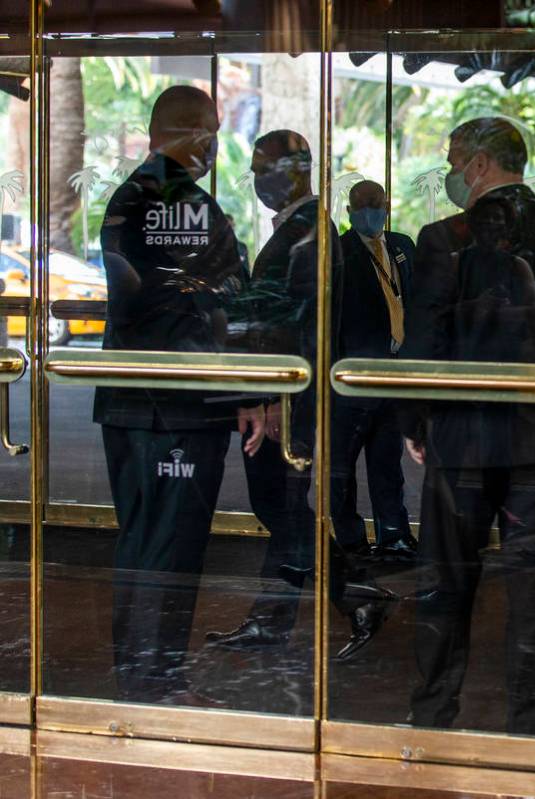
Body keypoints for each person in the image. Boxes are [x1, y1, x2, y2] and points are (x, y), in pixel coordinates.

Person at [403, 117, 535, 739]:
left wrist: (416, 421)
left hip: (462, 440)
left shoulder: (445, 239)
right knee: (533, 584)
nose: (449, 172)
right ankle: (534, 718)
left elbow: (425, 342)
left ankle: (432, 715)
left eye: (452, 159)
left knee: (445, 583)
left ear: (478, 163)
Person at [96, 85, 265, 703]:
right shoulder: (177, 201)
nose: (218, 143)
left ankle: (143, 679)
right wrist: (241, 386)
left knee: (144, 543)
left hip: (136, 402)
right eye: (212, 130)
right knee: (168, 546)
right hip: (176, 406)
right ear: (189, 131)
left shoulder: (132, 197)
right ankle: (154, 684)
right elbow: (216, 298)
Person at [206, 129, 326, 650]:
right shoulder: (301, 229)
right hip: (286, 394)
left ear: (293, 170)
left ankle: (281, 615)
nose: (256, 179)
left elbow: (297, 326)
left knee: (279, 504)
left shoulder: (305, 234)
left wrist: (276, 396)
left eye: (262, 168)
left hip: (287, 398)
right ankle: (348, 594)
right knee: (284, 506)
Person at [332, 180, 417, 563]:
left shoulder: (403, 246)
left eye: (376, 203)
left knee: (388, 461)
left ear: (387, 204)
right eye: (361, 204)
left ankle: (394, 535)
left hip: (393, 374)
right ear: (349, 211)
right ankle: (350, 540)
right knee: (342, 466)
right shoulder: (338, 252)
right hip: (352, 376)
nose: (370, 210)